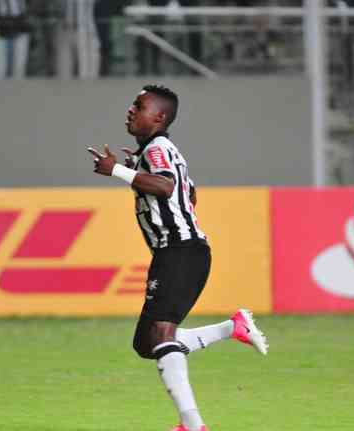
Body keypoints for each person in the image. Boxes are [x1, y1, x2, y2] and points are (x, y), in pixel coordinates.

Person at [87, 84, 267, 431]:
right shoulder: (156, 152)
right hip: (179, 253)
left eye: (138, 106)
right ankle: (234, 327)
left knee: (161, 332)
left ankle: (192, 425)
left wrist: (120, 172)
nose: (130, 110)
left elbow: (168, 188)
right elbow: (189, 195)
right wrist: (137, 174)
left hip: (181, 251)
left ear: (159, 117)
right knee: (147, 343)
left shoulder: (158, 148)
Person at [0, 0, 32, 79]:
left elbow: (29, 8)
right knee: (0, 66)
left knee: (19, 67)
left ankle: (18, 89)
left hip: (20, 25)